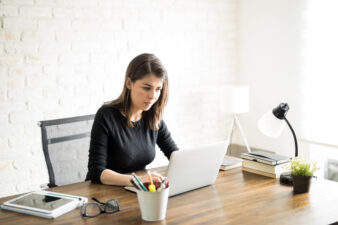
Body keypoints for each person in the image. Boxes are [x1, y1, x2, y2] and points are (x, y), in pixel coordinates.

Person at [86, 53, 178, 186]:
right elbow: (96, 171)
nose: (153, 96)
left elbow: (174, 155)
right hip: (105, 193)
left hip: (139, 191)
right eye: (146, 88)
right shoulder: (106, 116)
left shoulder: (153, 117)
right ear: (129, 83)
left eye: (158, 89)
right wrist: (137, 181)